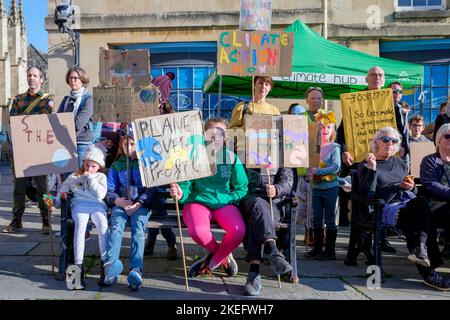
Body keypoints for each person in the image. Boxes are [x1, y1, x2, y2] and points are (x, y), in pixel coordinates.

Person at [355, 126, 450, 291]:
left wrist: (410, 186)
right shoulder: (368, 164)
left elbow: (411, 191)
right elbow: (368, 196)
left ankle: (421, 255)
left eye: (394, 141)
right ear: (375, 142)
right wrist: (372, 170)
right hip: (384, 208)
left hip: (406, 206)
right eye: (385, 139)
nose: (390, 143)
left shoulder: (399, 163)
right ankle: (427, 266)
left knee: (419, 205)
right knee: (420, 209)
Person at [169, 118, 248, 278]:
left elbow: (242, 187)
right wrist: (180, 193)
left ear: (226, 136)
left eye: (221, 133)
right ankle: (223, 255)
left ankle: (211, 263)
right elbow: (185, 184)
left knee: (238, 231)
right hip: (197, 202)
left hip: (223, 203)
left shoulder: (231, 158)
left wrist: (229, 198)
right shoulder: (193, 156)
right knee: (198, 232)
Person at [337, 66, 396, 253]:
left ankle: (382, 238)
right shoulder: (354, 102)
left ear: (384, 79)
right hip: (362, 161)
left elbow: (400, 133)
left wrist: (400, 151)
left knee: (387, 196)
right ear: (366, 79)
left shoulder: (391, 104)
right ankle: (360, 243)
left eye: (380, 75)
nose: (377, 78)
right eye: (373, 75)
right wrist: (345, 151)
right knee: (362, 201)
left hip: (386, 162)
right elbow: (341, 133)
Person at [2, 66, 55, 234]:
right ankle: (16, 220)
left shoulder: (48, 100)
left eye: (35, 75)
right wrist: (33, 120)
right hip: (21, 149)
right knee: (19, 188)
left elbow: (47, 121)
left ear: (41, 79)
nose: (31, 78)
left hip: (40, 150)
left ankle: (47, 220)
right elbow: (13, 121)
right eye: (29, 75)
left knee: (45, 189)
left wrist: (28, 121)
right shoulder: (18, 99)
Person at [103, 128, 157, 291]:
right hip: (121, 203)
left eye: (133, 143)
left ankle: (136, 269)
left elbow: (151, 189)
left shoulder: (146, 164)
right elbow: (109, 189)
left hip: (140, 205)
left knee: (138, 229)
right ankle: (111, 265)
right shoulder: (117, 165)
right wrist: (118, 201)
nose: (129, 147)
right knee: (116, 226)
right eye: (126, 143)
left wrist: (138, 203)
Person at [239, 150, 293, 296]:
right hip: (249, 200)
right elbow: (237, 180)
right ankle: (273, 250)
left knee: (256, 220)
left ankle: (254, 273)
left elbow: (287, 181)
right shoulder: (243, 151)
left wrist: (276, 189)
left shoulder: (281, 154)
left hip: (272, 205)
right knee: (257, 205)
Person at [58, 145, 108, 289]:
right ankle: (78, 266)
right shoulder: (74, 176)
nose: (89, 168)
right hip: (79, 204)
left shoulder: (100, 177)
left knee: (103, 224)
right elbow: (63, 190)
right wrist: (59, 197)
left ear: (99, 166)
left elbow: (101, 195)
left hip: (97, 205)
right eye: (87, 165)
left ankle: (105, 264)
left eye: (93, 166)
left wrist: (91, 179)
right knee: (80, 224)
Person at [144, 100, 178, 260]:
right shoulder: (142, 117)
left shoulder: (170, 119)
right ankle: (164, 242)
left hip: (165, 169)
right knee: (155, 207)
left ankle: (163, 242)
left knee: (159, 207)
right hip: (149, 168)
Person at [305, 110, 341, 260]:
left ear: (332, 130)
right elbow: (308, 167)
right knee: (317, 218)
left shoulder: (335, 148)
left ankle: (330, 250)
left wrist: (317, 171)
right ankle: (318, 247)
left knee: (330, 218)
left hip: (330, 188)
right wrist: (308, 173)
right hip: (316, 189)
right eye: (322, 127)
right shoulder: (313, 148)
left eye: (328, 127)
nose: (325, 130)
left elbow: (336, 167)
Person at [420, 123, 450, 262]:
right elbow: (431, 184)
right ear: (438, 140)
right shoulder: (430, 161)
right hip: (436, 206)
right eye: (447, 136)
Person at [57, 66, 94, 168]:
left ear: (82, 80)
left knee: (79, 177)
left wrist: (62, 124)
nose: (72, 80)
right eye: (70, 78)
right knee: (66, 178)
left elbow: (78, 124)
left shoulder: (89, 100)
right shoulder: (66, 99)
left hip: (81, 143)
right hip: (65, 143)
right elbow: (56, 120)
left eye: (75, 78)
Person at [388, 82, 410, 164]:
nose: (397, 93)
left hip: (403, 151)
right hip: (391, 151)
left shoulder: (401, 108)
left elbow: (404, 131)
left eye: (400, 91)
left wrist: (405, 147)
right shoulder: (384, 110)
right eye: (394, 91)